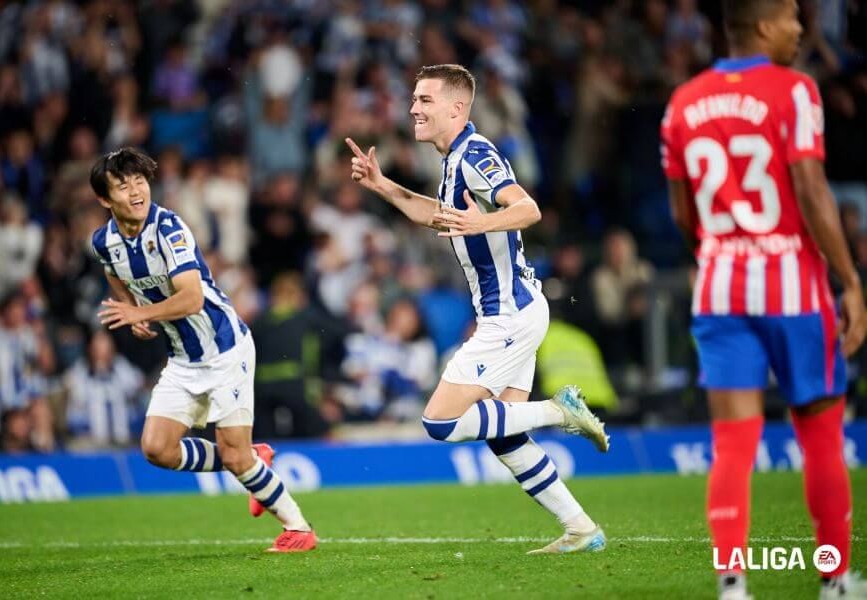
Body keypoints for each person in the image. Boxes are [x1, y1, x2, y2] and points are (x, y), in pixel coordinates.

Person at [347, 64, 609, 555]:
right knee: (506, 434)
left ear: (456, 108)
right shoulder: (453, 161)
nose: (413, 109)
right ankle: (582, 529)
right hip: (518, 311)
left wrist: (479, 225)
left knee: (441, 422)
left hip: (509, 315)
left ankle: (558, 410)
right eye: (413, 99)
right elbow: (436, 214)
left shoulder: (477, 154)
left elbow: (528, 208)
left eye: (425, 100)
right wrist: (383, 186)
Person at [660, 1, 867, 598]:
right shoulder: (794, 91)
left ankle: (733, 587)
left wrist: (723, 251)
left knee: (732, 442)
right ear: (762, 25)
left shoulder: (683, 102)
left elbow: (682, 213)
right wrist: (849, 278)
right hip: (794, 289)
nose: (802, 29)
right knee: (822, 435)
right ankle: (833, 581)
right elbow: (810, 187)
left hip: (720, 287)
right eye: (792, 17)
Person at [89, 148, 316, 553]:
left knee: (234, 455)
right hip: (183, 358)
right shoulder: (104, 242)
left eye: (140, 181)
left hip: (225, 349)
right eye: (122, 186)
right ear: (105, 200)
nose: (136, 191)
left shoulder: (169, 229)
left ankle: (298, 528)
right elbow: (113, 273)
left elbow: (191, 298)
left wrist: (143, 311)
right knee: (156, 448)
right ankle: (252, 458)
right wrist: (134, 312)